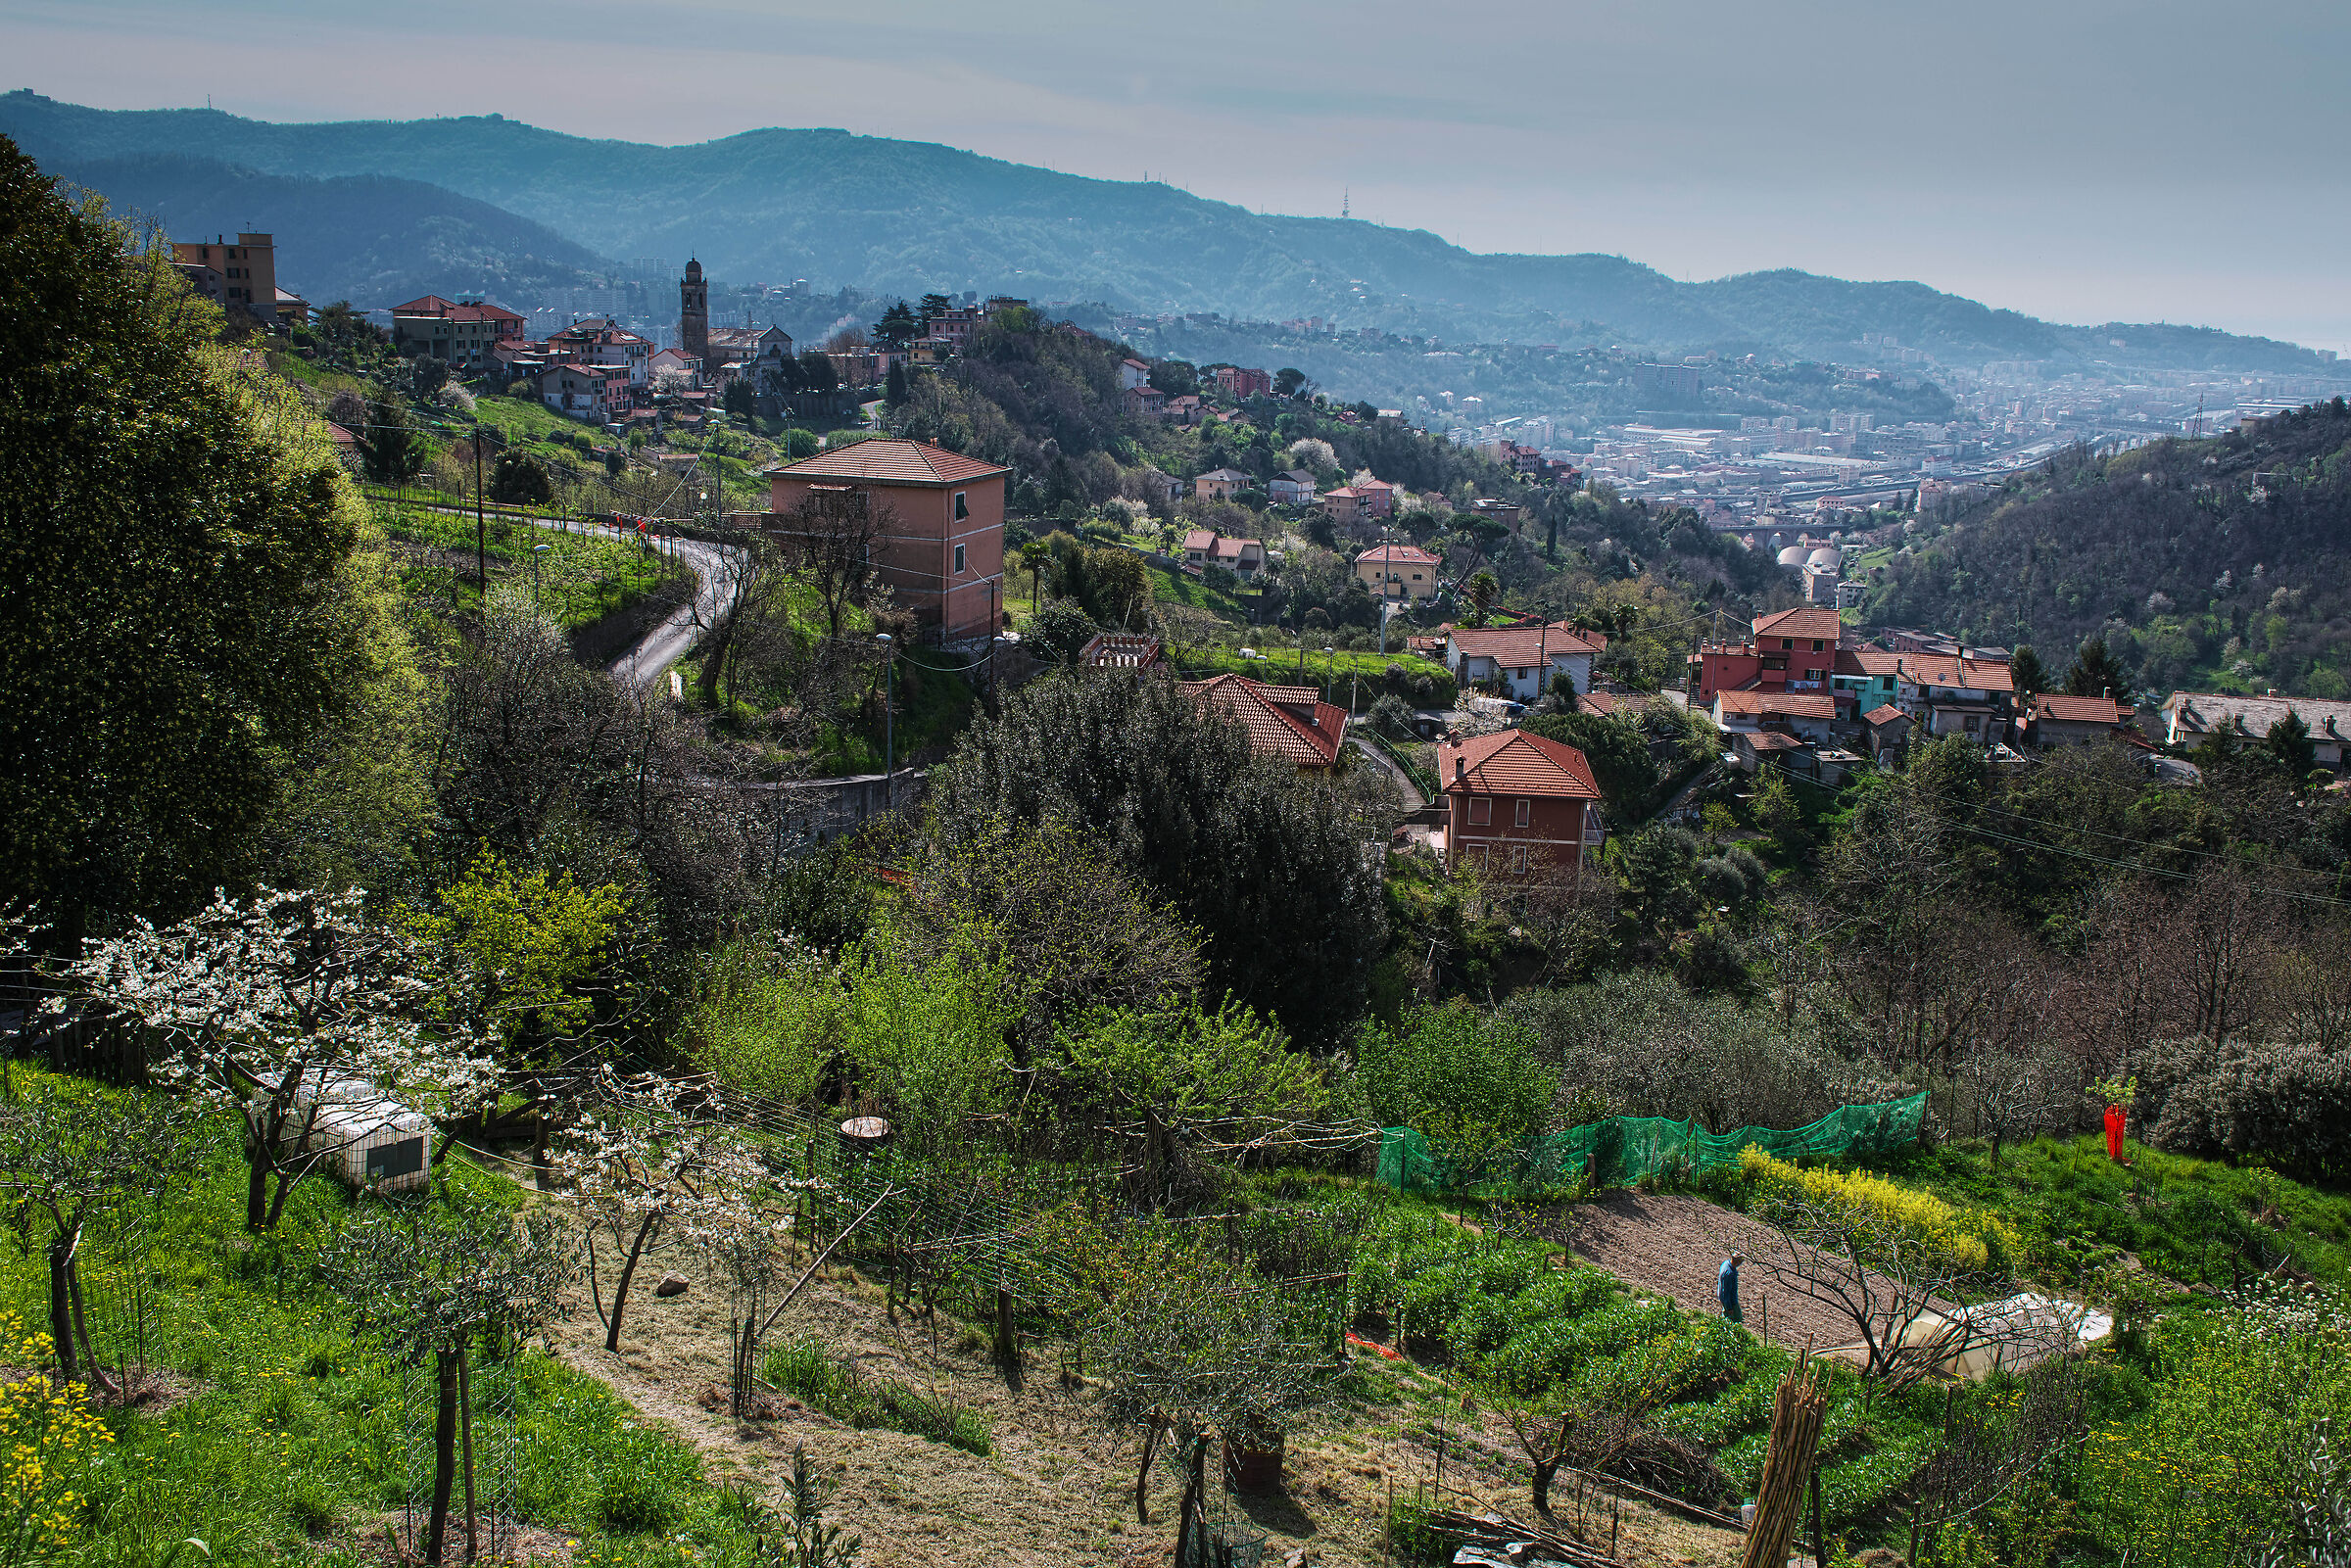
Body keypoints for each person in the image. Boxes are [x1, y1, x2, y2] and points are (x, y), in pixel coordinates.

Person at [1717, 1253, 1744, 1324]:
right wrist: (1729, 1308)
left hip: (1727, 1300)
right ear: (1737, 1262)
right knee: (1735, 1321)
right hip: (1731, 1302)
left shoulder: (1726, 1263)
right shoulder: (1729, 1273)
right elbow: (1726, 1292)